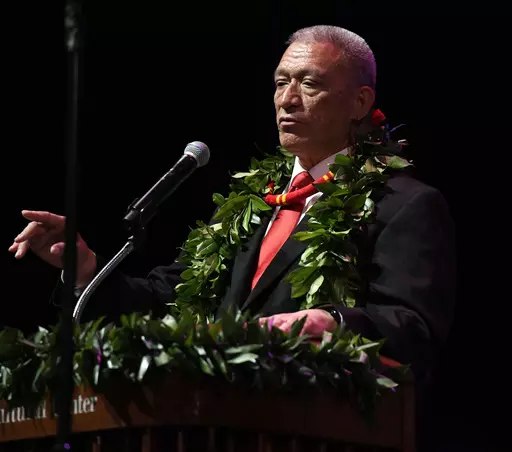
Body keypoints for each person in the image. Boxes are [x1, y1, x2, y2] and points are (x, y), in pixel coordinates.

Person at [9, 25, 456, 383]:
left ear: (360, 101)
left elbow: (413, 328)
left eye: (310, 83)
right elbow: (169, 300)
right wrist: (85, 269)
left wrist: (333, 320)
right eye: (281, 83)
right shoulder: (252, 202)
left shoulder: (404, 205)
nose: (287, 99)